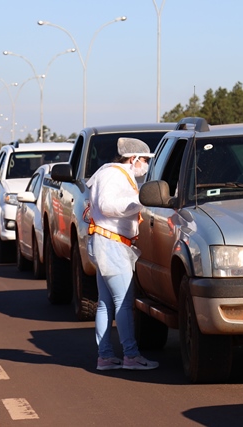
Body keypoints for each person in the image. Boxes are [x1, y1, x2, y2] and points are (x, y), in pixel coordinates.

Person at [86, 137, 159, 371]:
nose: (146, 165)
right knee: (124, 303)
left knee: (106, 304)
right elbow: (108, 205)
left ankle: (105, 356)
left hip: (107, 243)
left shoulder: (112, 174)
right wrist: (138, 201)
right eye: (145, 160)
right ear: (133, 158)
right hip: (112, 244)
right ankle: (131, 355)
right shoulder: (114, 175)